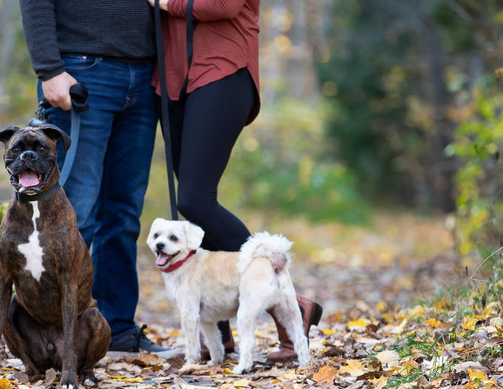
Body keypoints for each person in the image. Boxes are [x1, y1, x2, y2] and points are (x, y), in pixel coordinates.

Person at [149, 0, 322, 363]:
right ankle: (221, 334)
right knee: (196, 207)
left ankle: (287, 302)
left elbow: (223, 5)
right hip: (174, 74)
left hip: (221, 69)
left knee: (195, 200)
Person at [18, 0, 172, 355]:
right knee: (74, 211)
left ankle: (114, 329)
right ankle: (54, 335)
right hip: (82, 71)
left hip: (144, 75)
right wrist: (49, 69)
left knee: (123, 213)